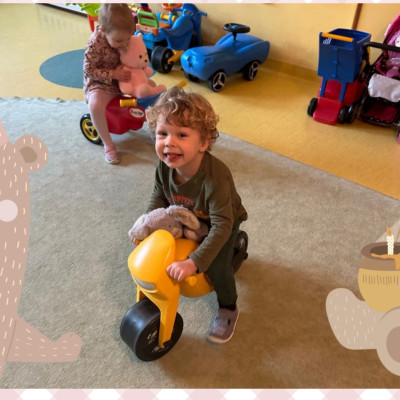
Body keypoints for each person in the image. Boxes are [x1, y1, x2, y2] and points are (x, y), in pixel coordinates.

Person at [137, 86, 248, 343]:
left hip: (222, 221)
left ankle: (228, 309)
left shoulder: (215, 177)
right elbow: (159, 196)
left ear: (203, 143)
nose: (169, 142)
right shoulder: (164, 167)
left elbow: (222, 225)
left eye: (182, 135)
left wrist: (194, 262)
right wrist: (147, 225)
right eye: (162, 133)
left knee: (216, 267)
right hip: (187, 216)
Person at [83, 4, 135, 164]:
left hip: (123, 78)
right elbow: (89, 70)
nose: (124, 44)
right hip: (100, 84)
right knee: (95, 106)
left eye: (128, 38)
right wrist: (113, 74)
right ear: (104, 31)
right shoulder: (95, 44)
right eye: (119, 41)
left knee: (148, 91)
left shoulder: (124, 36)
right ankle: (108, 144)